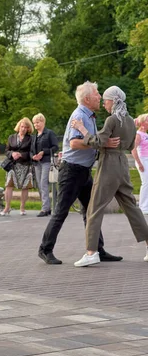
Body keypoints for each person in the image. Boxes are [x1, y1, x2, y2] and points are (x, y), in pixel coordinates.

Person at [38, 81, 122, 265]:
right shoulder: (80, 115)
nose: (100, 97)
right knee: (61, 211)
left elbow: (88, 140)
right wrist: (102, 143)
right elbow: (74, 143)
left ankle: (98, 250)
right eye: (97, 94)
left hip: (83, 171)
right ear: (87, 98)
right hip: (72, 171)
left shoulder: (89, 116)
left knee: (90, 211)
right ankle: (45, 249)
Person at [70, 87, 148, 267]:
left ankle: (91, 252)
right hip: (123, 165)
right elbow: (129, 145)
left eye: (106, 100)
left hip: (108, 167)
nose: (104, 103)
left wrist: (82, 128)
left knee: (94, 209)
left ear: (113, 100)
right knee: (132, 209)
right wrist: (106, 143)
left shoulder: (112, 119)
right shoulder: (129, 120)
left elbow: (97, 142)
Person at [1, 118, 34, 216]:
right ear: (19, 126)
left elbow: (32, 152)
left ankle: (22, 207)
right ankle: (7, 207)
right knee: (9, 185)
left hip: (25, 165)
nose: (23, 129)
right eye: (22, 126)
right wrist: (12, 153)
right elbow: (7, 150)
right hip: (12, 165)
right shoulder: (11, 137)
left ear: (28, 129)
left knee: (25, 186)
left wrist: (21, 155)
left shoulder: (31, 138)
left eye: (26, 127)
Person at [30, 113, 59, 217]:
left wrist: (44, 152)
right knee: (40, 184)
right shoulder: (34, 136)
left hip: (47, 161)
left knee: (43, 183)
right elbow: (31, 150)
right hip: (37, 163)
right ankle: (46, 206)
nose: (36, 125)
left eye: (37, 122)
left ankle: (45, 208)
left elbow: (55, 147)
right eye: (34, 123)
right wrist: (33, 156)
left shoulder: (49, 133)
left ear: (43, 122)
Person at [132, 114, 148, 214]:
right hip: (142, 160)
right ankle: (143, 207)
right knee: (146, 183)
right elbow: (133, 149)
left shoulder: (145, 134)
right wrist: (139, 163)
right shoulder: (138, 134)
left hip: (146, 159)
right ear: (142, 123)